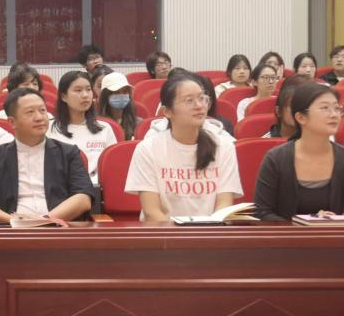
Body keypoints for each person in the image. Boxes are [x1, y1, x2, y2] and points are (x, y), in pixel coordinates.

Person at [125, 71, 242, 221]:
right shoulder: (148, 149)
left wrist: (208, 232)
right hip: (163, 232)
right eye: (189, 100)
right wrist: (180, 234)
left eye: (202, 98)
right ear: (167, 111)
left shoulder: (224, 146)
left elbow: (223, 206)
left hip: (211, 232)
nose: (199, 106)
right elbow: (152, 212)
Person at [0, 88, 94, 222]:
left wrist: (44, 220)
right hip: (10, 229)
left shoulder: (68, 153)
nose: (39, 117)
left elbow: (83, 197)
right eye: (30, 112)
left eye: (42, 110)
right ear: (12, 122)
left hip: (58, 226)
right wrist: (12, 220)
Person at [255, 82, 344, 220]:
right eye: (325, 108)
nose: (334, 115)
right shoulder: (276, 158)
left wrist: (334, 220)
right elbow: (262, 212)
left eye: (337, 108)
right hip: (285, 234)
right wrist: (307, 221)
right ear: (301, 117)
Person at [47, 71, 117, 184]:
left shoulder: (105, 128)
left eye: (88, 89)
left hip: (97, 188)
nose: (85, 95)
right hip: (61, 187)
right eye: (78, 90)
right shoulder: (49, 128)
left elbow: (111, 166)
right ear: (64, 96)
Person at [262, 74, 311, 138]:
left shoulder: (317, 138)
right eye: (293, 105)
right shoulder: (266, 141)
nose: (299, 110)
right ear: (278, 111)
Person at [97, 71, 141, 140]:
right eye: (116, 92)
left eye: (125, 91)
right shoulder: (97, 124)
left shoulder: (138, 123)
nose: (121, 95)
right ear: (105, 96)